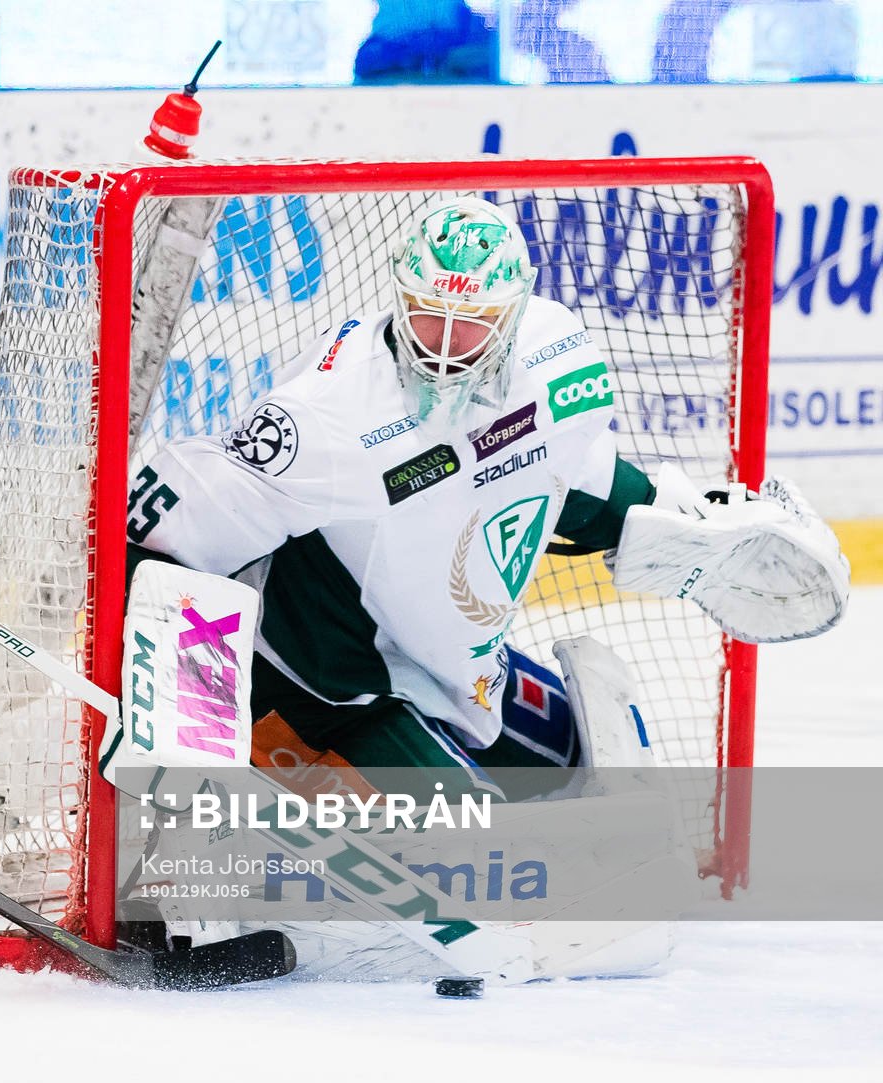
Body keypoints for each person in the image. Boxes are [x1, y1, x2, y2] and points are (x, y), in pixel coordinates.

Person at [110, 196, 849, 974]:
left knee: (574, 774)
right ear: (399, 296)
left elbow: (576, 476)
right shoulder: (325, 421)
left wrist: (679, 526)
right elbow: (159, 541)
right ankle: (219, 864)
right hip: (334, 689)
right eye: (428, 317)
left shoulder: (556, 354)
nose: (446, 348)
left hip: (457, 667)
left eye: (472, 325)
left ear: (515, 313)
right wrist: (161, 712)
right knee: (483, 859)